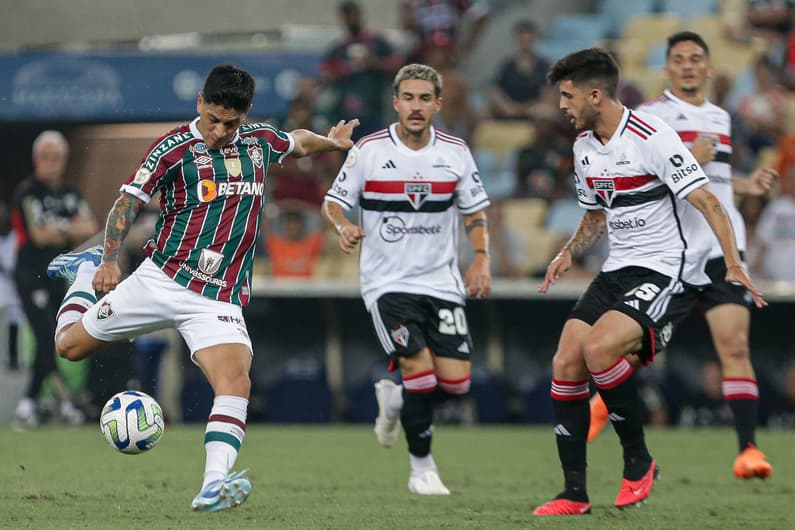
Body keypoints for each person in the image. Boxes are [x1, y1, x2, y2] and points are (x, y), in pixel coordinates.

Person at [46, 64, 358, 512]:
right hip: (160, 279)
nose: (218, 131)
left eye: (230, 123)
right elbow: (126, 202)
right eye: (212, 119)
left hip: (217, 298)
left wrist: (329, 141)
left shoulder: (259, 142)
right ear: (199, 103)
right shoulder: (172, 150)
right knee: (68, 347)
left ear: (245, 115)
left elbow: (298, 143)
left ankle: (213, 484)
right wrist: (109, 259)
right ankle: (80, 272)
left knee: (235, 380)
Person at [533, 48, 765, 516]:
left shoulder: (651, 136)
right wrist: (568, 251)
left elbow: (709, 201)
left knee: (599, 349)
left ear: (594, 94)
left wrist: (734, 262)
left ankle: (638, 461)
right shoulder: (583, 147)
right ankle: (574, 493)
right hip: (617, 268)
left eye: (567, 95)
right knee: (565, 361)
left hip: (661, 267)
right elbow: (596, 214)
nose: (561, 105)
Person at [588, 32, 777, 480]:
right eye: (679, 59)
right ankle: (600, 404)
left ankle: (748, 450)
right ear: (667, 69)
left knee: (735, 344)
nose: (688, 66)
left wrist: (749, 186)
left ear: (709, 68)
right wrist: (687, 157)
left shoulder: (720, 117)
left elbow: (716, 180)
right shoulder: (649, 117)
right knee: (636, 347)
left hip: (721, 250)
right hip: (672, 252)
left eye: (696, 58)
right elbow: (636, 181)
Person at [321, 63, 491, 495]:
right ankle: (422, 469)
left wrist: (482, 259)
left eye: (424, 99)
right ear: (395, 102)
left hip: (441, 283)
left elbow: (473, 212)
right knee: (421, 372)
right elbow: (333, 203)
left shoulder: (455, 151)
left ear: (437, 103)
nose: (416, 107)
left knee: (455, 384)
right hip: (388, 284)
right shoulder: (369, 150)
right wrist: (343, 226)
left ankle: (395, 397)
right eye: (408, 98)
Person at [10, 130, 98, 427]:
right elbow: (39, 234)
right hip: (29, 276)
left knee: (56, 335)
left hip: (58, 275)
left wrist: (60, 230)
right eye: (46, 157)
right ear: (36, 159)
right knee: (47, 334)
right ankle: (47, 401)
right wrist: (68, 227)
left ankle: (36, 402)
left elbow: (90, 227)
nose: (52, 163)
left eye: (57, 157)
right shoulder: (27, 191)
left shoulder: (71, 194)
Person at [319, 1, 404, 140]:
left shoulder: (377, 43)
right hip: (344, 115)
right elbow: (325, 74)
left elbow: (398, 64)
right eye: (347, 16)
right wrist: (343, 69)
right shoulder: (338, 49)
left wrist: (374, 63)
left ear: (360, 16)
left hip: (374, 111)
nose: (351, 20)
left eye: (353, 15)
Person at [488, 19, 550, 120]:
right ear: (516, 40)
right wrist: (505, 106)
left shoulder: (544, 66)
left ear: (535, 39)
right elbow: (495, 91)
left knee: (545, 112)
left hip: (534, 110)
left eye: (528, 40)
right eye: (522, 40)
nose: (525, 43)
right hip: (508, 109)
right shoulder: (507, 65)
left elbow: (547, 94)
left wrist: (522, 109)